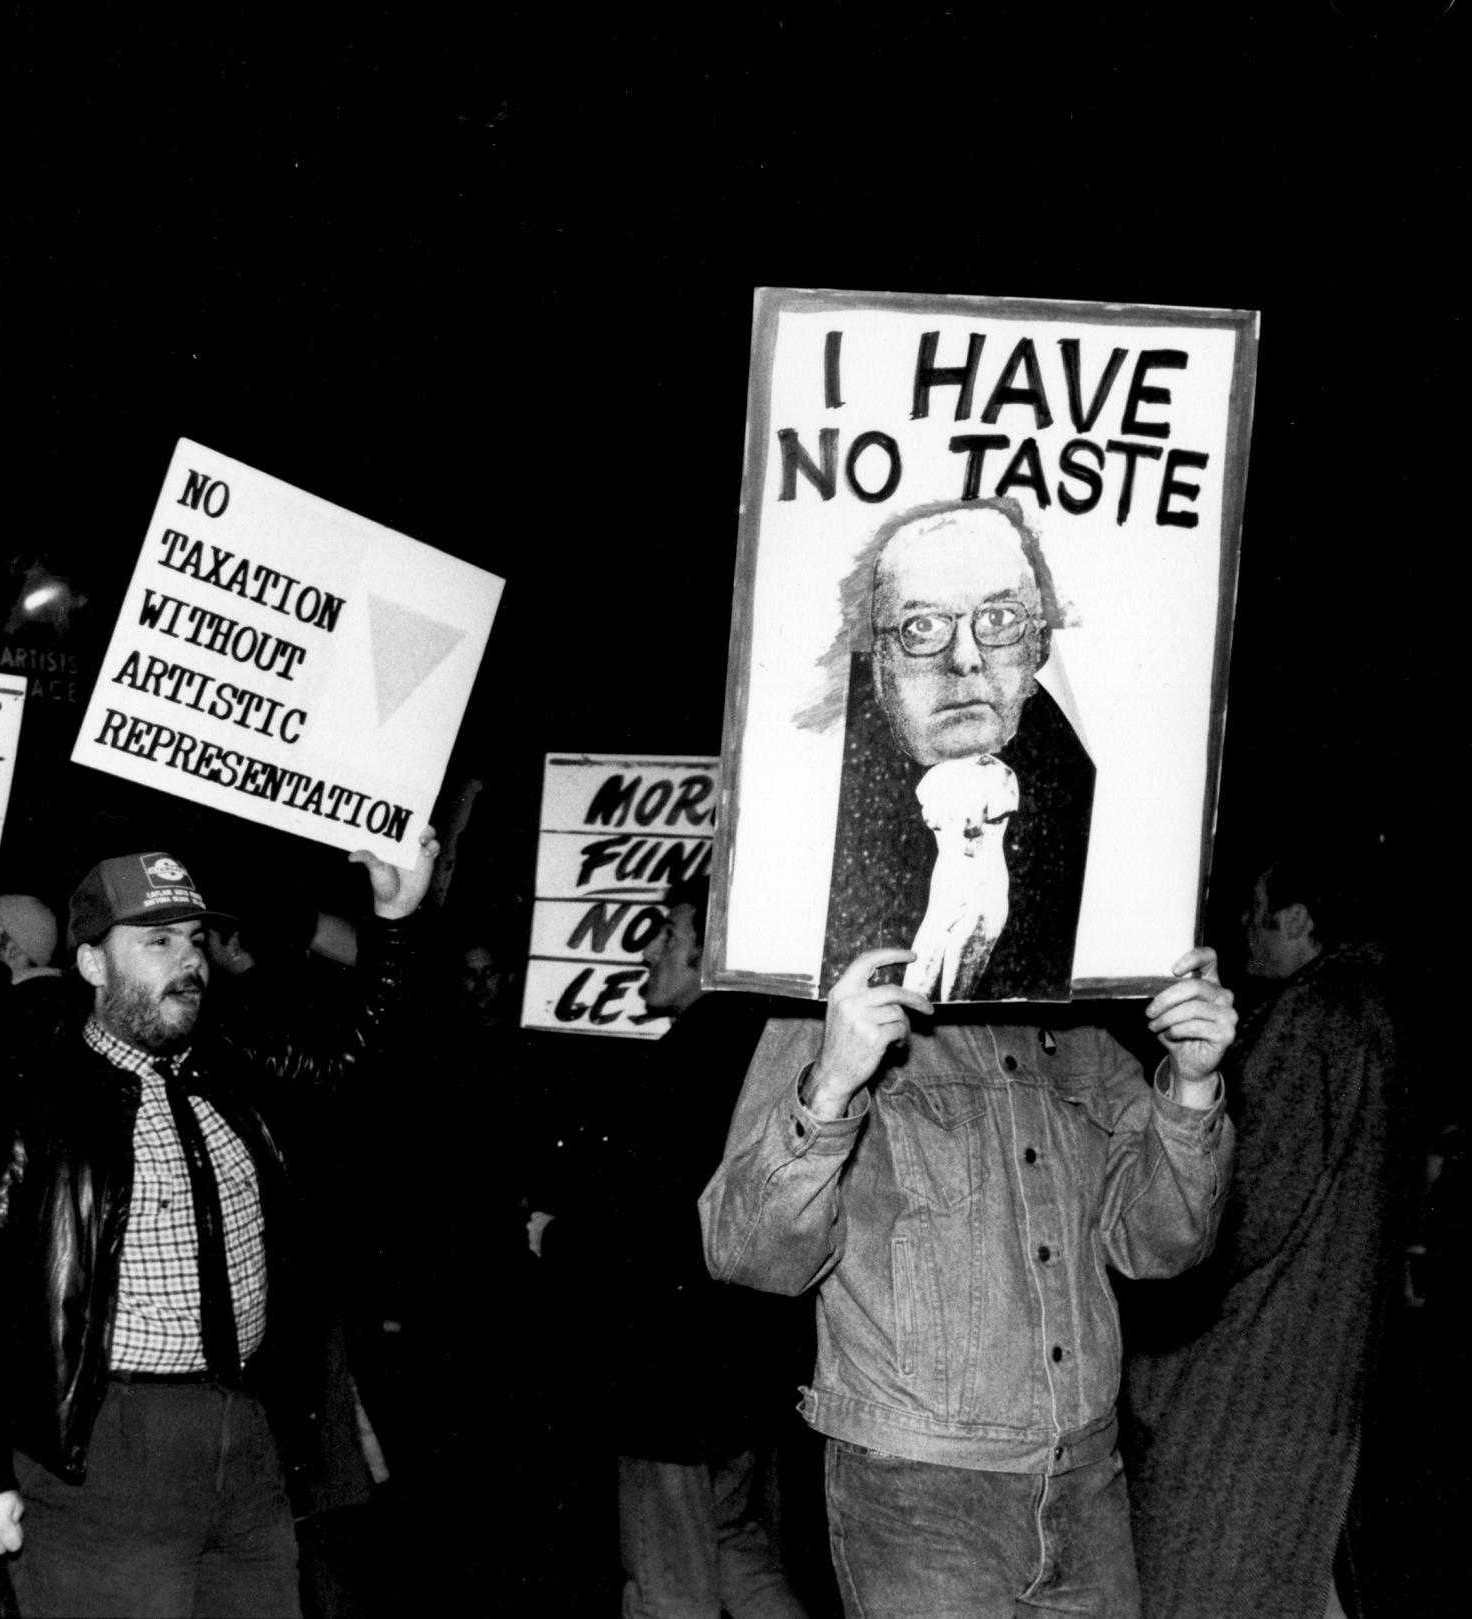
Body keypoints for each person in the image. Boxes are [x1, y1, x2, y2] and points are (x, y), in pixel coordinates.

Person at [0, 833, 438, 1618]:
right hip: (107, 1443)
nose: (190, 960)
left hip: (246, 1434)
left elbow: (357, 1060)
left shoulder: (229, 1064)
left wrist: (397, 916)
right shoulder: (35, 1098)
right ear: (92, 965)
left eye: (193, 938)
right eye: (157, 940)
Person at [699, 941, 1237, 1619]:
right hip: (919, 1496)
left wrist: (1190, 1085)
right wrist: (829, 1083)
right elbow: (748, 1250)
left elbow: (1159, 1246)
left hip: (1087, 1483)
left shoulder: (1081, 1036)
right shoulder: (837, 1010)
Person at [1121, 856, 1405, 1619]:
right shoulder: (1376, 1015)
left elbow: (1236, 1215)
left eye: (1258, 911)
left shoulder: (1309, 1021)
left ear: (1301, 919)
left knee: (1201, 1581)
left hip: (1248, 1385)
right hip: (1319, 1371)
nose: (1244, 927)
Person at [530, 877, 810, 1619]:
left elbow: (653, 1218)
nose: (647, 949)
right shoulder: (767, 1039)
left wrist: (558, 1236)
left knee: (665, 1582)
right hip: (739, 1366)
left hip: (668, 1372)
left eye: (665, 931)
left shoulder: (695, 1054)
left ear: (711, 948)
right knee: (730, 1545)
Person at [811, 499, 1094, 1001]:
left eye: (1001, 617)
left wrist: (1188, 1079)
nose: (966, 658)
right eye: (922, 627)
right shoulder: (814, 840)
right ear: (878, 665)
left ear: (1040, 647)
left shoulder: (1092, 835)